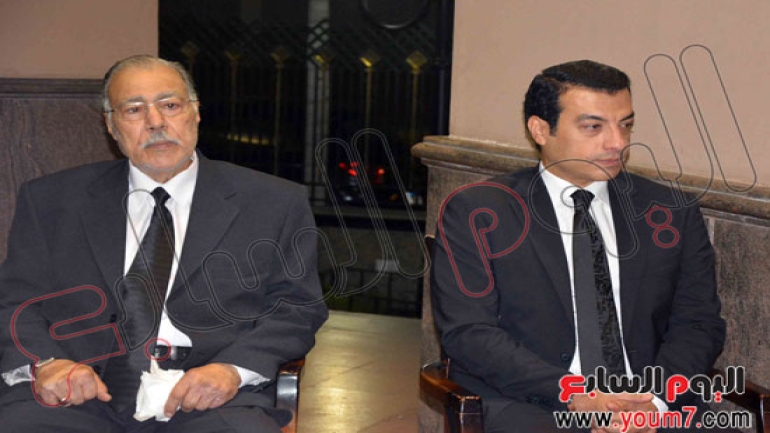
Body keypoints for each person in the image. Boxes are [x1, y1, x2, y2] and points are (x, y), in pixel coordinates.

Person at [0, 55, 328, 432]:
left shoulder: (273, 202)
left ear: (195, 113)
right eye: (134, 109)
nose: (155, 122)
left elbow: (297, 308)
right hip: (79, 395)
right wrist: (46, 363)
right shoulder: (52, 200)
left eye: (170, 105)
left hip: (209, 398)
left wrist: (233, 370)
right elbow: (14, 301)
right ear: (111, 125)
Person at [431, 60, 731, 432]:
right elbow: (470, 333)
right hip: (534, 403)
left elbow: (699, 323)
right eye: (593, 127)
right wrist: (578, 395)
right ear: (541, 130)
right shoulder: (479, 211)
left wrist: (653, 402)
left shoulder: (671, 211)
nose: (617, 143)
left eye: (626, 125)